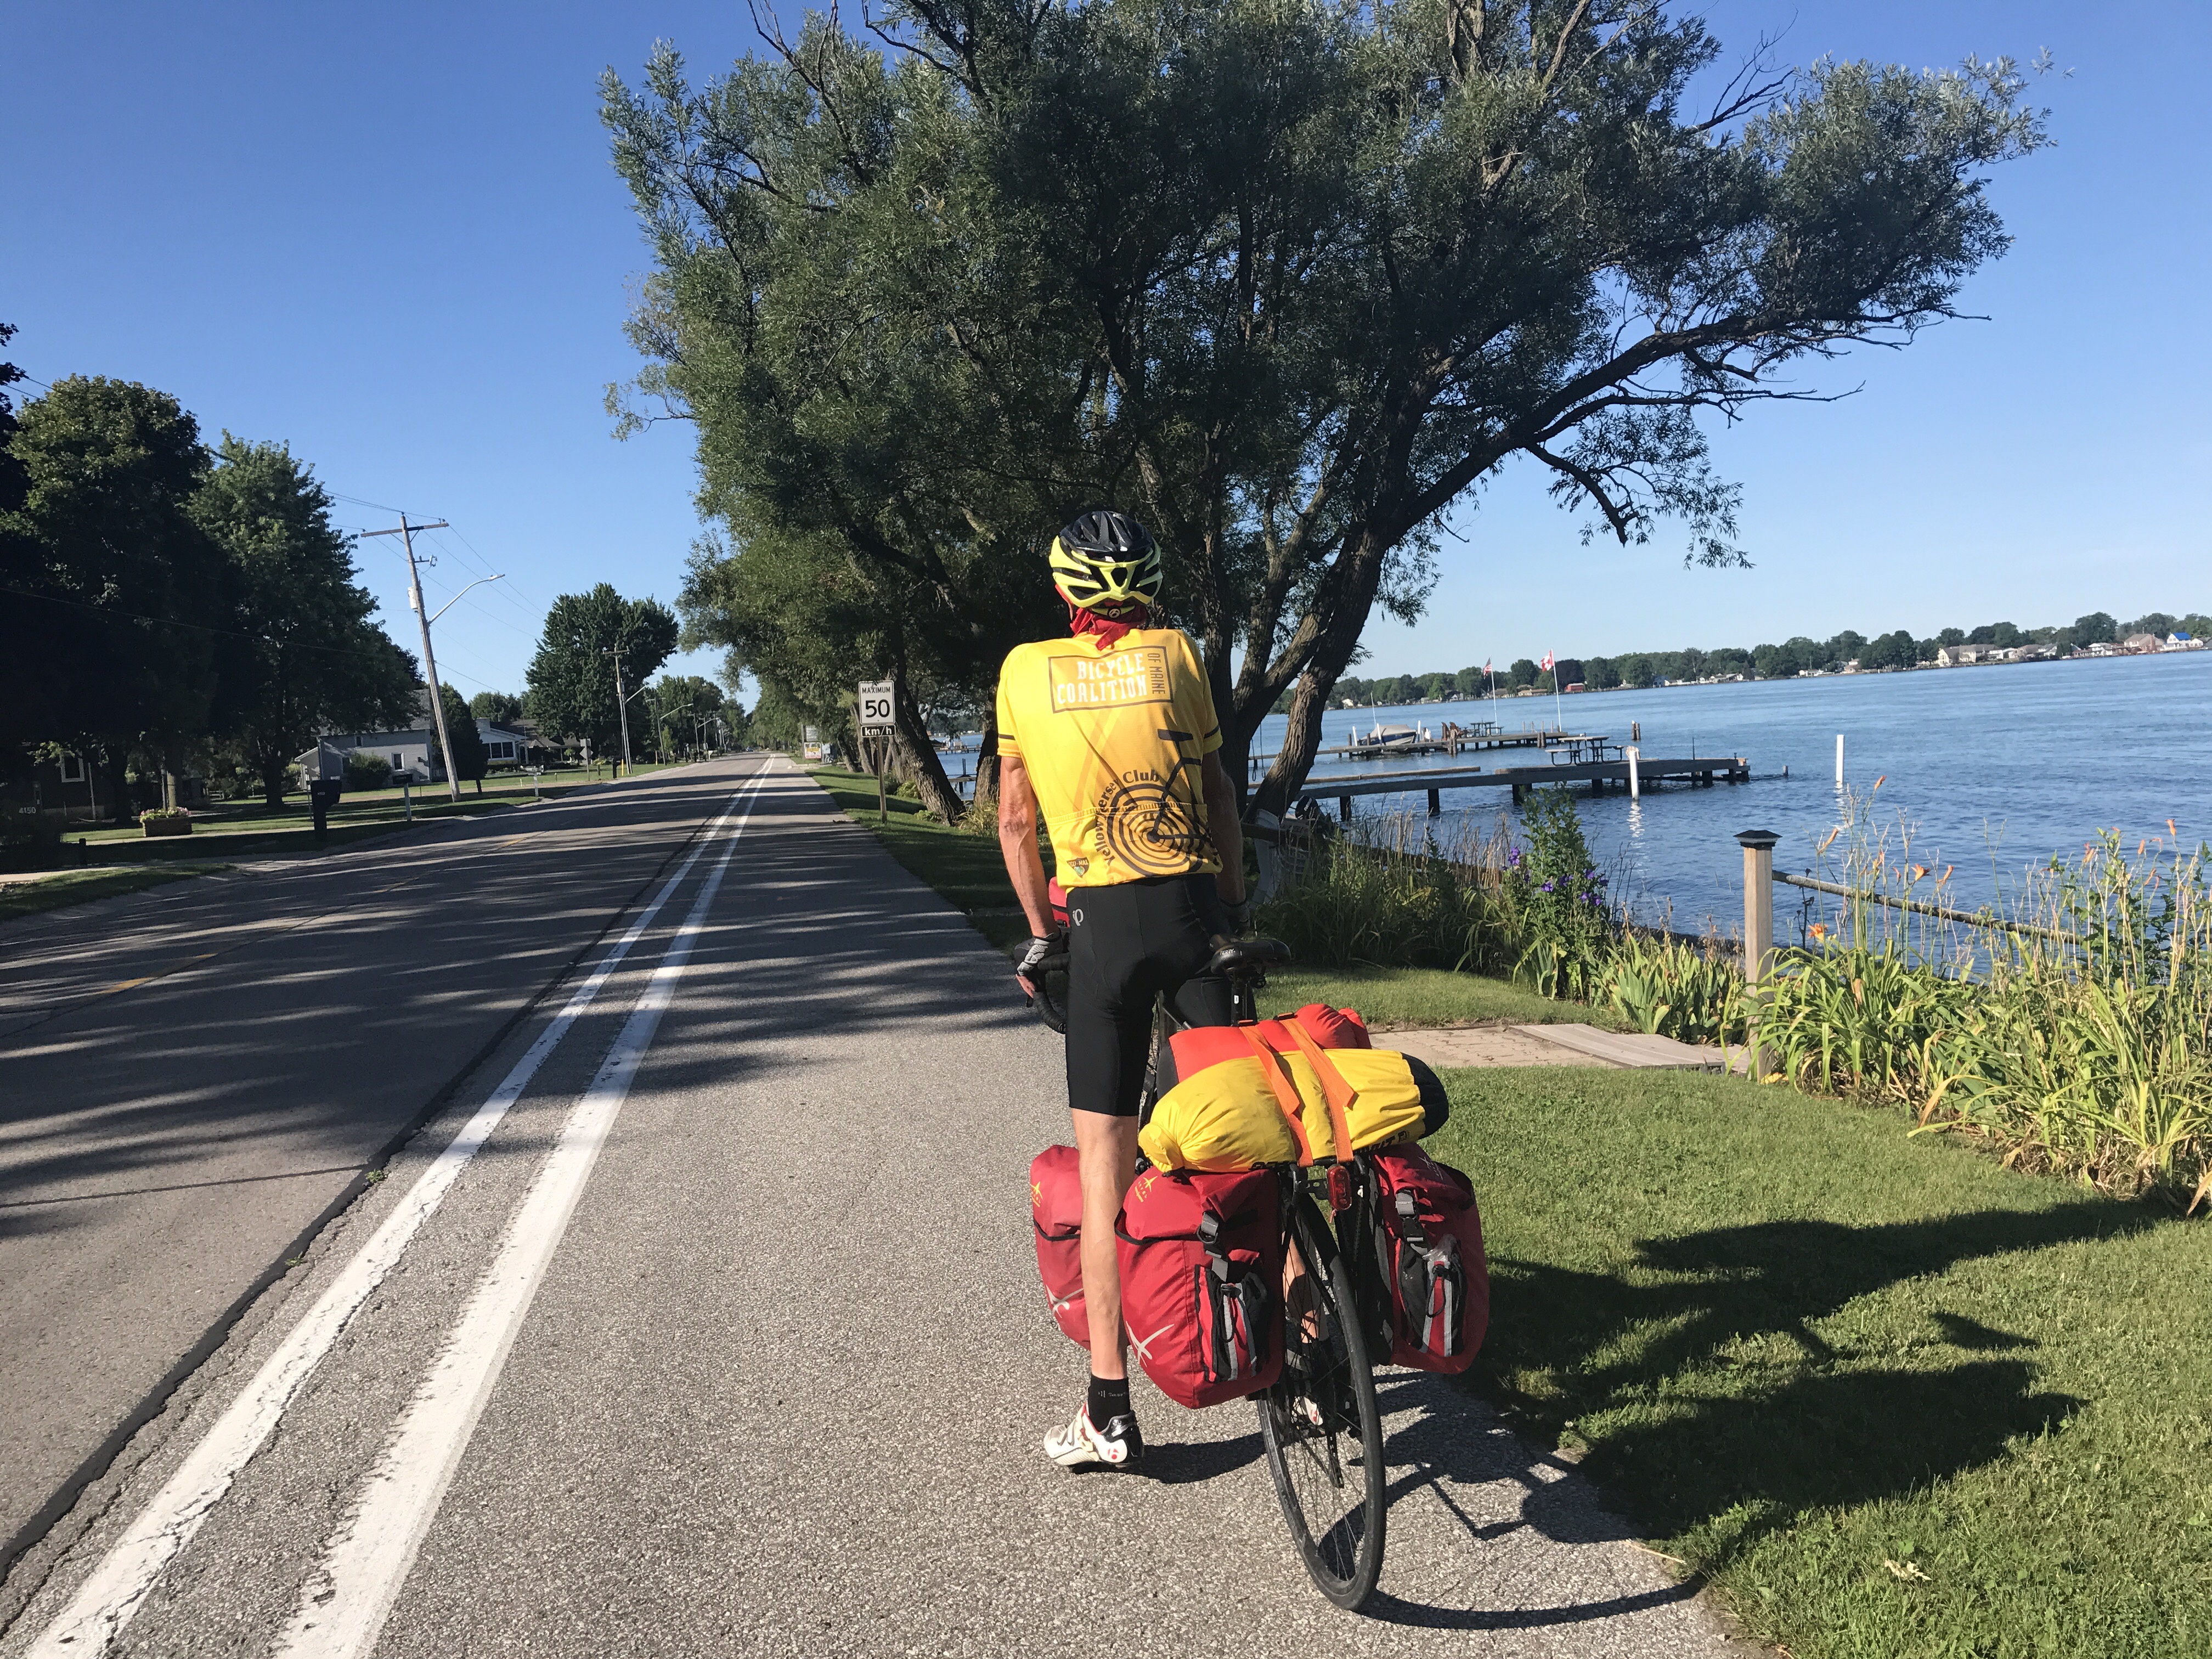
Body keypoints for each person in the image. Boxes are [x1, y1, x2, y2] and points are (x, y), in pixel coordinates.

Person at [995, 509, 1248, 1470]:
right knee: (1248, 1138)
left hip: (1100, 927)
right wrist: (1231, 910)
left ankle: (1109, 1408)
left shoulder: (1024, 671)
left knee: (1105, 1164)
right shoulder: (1177, 654)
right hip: (1192, 917)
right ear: (1148, 587)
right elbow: (1218, 796)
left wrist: (1042, 935)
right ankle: (1307, 1349)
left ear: (1065, 591)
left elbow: (1016, 822)